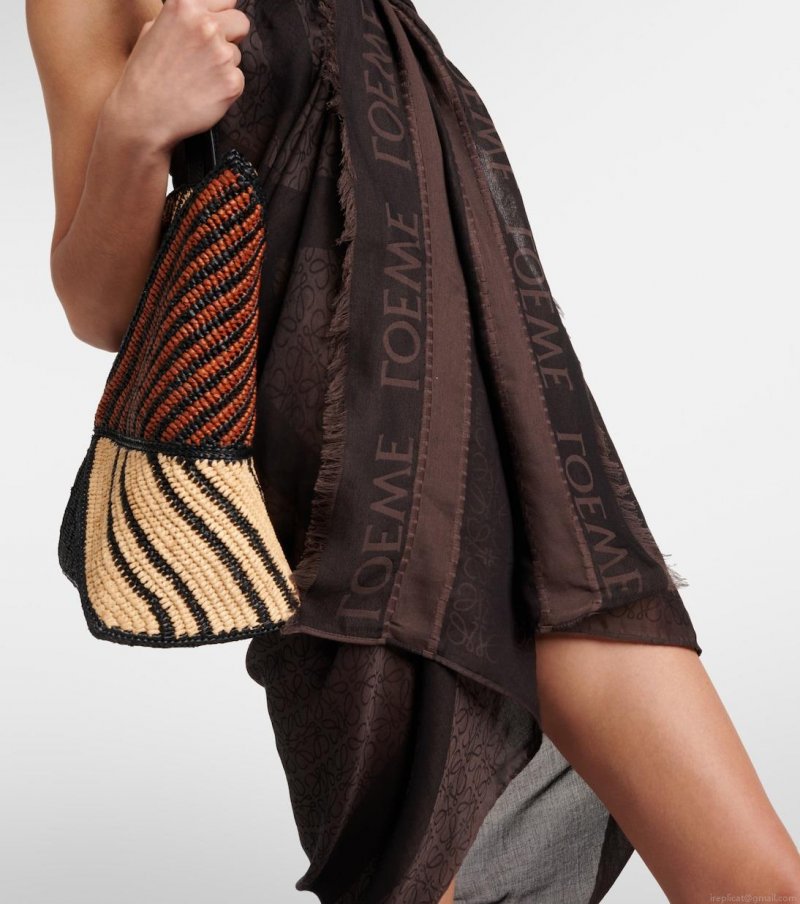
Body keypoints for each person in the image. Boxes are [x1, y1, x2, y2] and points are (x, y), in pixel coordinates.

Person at [27, 0, 800, 901]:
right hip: (356, 507)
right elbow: (99, 309)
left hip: (535, 466)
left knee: (758, 882)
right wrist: (136, 127)